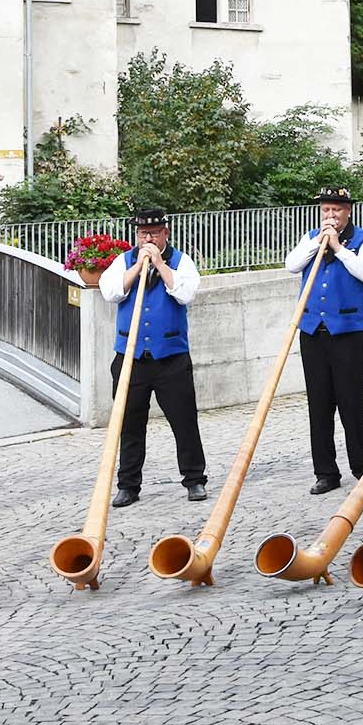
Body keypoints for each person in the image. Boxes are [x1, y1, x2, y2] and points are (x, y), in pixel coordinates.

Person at [99, 208, 208, 506]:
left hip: (170, 357)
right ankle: (128, 485)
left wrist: (159, 263)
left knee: (184, 421)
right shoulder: (124, 260)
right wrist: (137, 267)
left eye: (155, 233)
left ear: (165, 233)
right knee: (129, 424)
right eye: (143, 234)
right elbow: (110, 292)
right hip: (130, 357)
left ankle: (195, 480)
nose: (148, 239)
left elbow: (185, 293)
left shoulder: (181, 261)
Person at [285, 188, 363, 495]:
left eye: (336, 210)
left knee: (353, 402)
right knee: (319, 404)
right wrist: (319, 242)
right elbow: (291, 264)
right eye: (326, 210)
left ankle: (362, 466)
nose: (330, 215)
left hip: (349, 333)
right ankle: (326, 472)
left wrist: (338, 247)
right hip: (313, 332)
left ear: (348, 211)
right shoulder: (310, 238)